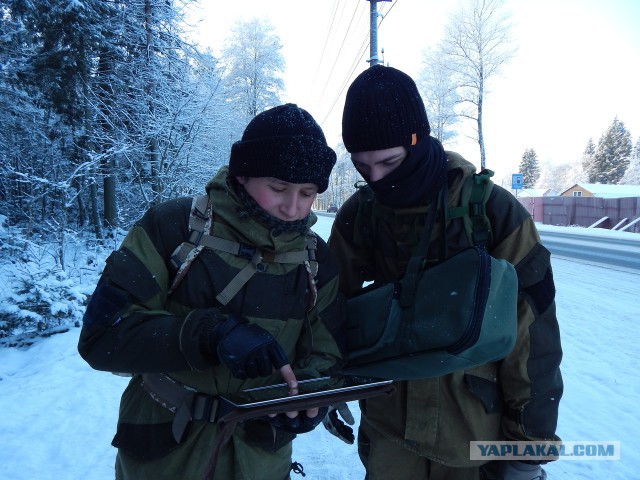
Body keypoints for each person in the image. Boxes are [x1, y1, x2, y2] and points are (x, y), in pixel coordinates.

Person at [78, 103, 346, 479]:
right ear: (242, 175)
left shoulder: (316, 259)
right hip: (164, 452)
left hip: (259, 459)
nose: (292, 207)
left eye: (307, 193)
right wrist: (206, 335)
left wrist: (307, 405)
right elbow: (103, 336)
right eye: (278, 188)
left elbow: (326, 355)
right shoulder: (172, 227)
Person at [325, 65, 563, 479]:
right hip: (388, 431)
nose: (377, 178)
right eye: (363, 167)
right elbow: (326, 309)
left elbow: (534, 334)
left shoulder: (492, 212)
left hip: (472, 434)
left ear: (418, 141)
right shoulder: (361, 215)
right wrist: (325, 385)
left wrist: (528, 448)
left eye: (389, 162)